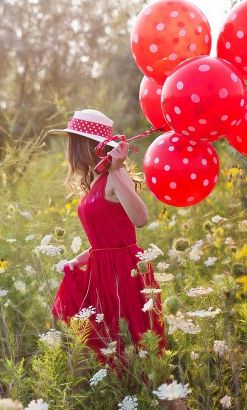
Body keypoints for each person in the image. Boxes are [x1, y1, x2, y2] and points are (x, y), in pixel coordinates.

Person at [48, 109, 167, 371]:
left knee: (138, 342)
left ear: (84, 146)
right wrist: (77, 260)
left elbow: (141, 218)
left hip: (124, 271)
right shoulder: (97, 180)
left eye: (72, 143)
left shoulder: (115, 175)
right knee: (116, 342)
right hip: (103, 270)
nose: (69, 151)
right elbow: (103, 239)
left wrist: (115, 169)